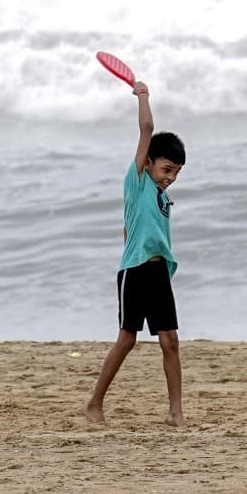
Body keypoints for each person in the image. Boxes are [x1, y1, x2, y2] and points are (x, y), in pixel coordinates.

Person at [84, 79, 189, 426]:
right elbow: (147, 127)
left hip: (158, 272)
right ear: (148, 163)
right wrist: (143, 95)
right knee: (127, 339)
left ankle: (176, 412)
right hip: (135, 270)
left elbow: (133, 227)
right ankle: (94, 403)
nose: (170, 178)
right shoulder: (138, 179)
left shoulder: (161, 196)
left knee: (170, 340)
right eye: (166, 169)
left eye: (176, 173)